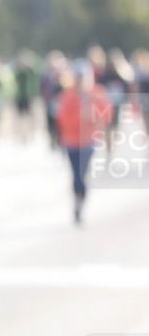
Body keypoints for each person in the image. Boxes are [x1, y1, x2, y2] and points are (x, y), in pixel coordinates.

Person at [56, 62, 113, 224]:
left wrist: (94, 119)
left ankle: (80, 204)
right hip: (71, 141)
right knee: (75, 175)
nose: (80, 81)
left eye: (83, 78)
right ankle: (77, 201)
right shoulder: (68, 96)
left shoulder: (97, 94)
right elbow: (62, 119)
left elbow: (106, 115)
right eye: (78, 78)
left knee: (82, 174)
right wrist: (80, 117)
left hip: (88, 142)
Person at [40, 51, 69, 150]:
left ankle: (61, 142)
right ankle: (53, 142)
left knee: (62, 125)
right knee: (51, 125)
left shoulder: (65, 76)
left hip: (63, 105)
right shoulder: (47, 77)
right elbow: (43, 89)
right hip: (51, 103)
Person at [12, 49, 40, 142]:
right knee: (19, 117)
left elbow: (36, 76)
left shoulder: (31, 71)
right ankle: (20, 134)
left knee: (30, 117)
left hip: (29, 97)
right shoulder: (17, 71)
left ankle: (30, 134)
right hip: (19, 97)